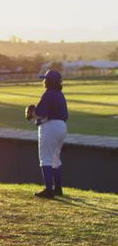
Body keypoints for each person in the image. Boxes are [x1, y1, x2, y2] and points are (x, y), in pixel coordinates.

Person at [31, 70, 68, 199]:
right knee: (56, 159)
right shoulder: (60, 94)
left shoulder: (48, 94)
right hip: (62, 127)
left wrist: (32, 113)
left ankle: (48, 190)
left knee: (45, 158)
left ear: (49, 81)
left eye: (45, 79)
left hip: (50, 126)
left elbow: (41, 112)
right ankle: (58, 189)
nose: (43, 81)